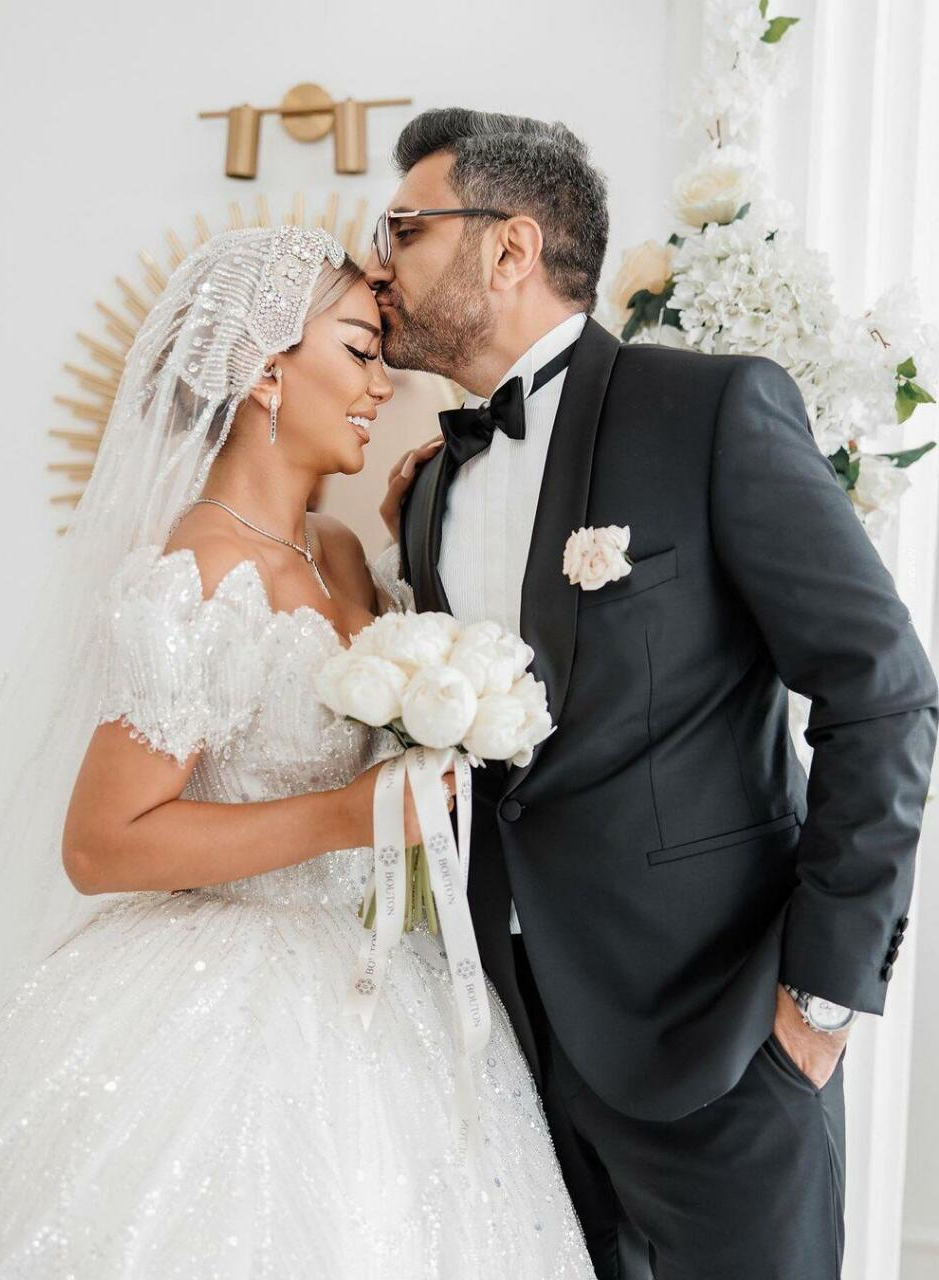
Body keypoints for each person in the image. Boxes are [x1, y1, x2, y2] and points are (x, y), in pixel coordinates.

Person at [0, 225, 597, 1278]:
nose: (382, 383)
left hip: (378, 980)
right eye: (358, 351)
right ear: (267, 371)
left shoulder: (341, 552)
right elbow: (103, 841)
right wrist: (345, 817)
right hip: (218, 995)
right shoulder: (195, 569)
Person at [370, 107, 938, 1280]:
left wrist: (823, 999)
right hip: (507, 1056)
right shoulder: (427, 490)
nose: (381, 264)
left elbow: (881, 689)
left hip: (722, 1038)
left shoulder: (709, 410)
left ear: (509, 247)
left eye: (406, 228)